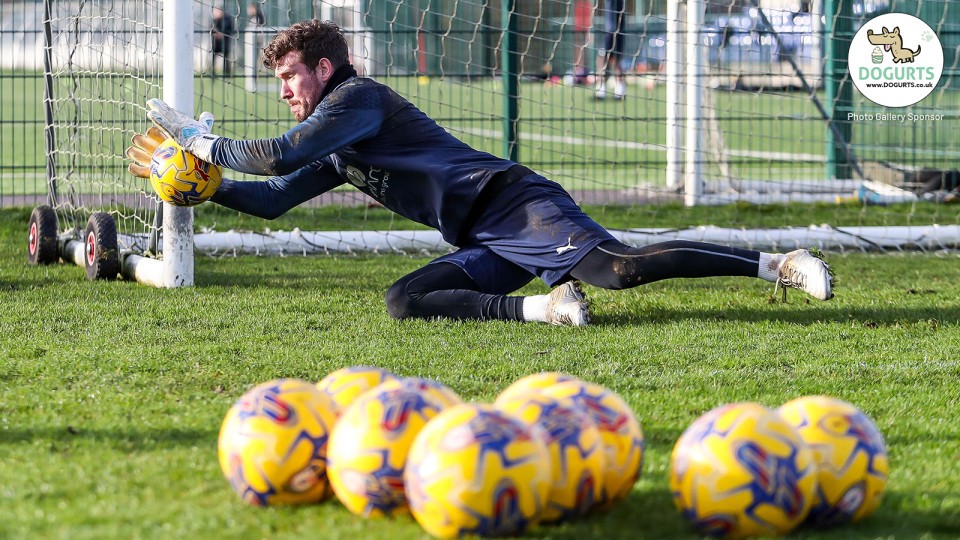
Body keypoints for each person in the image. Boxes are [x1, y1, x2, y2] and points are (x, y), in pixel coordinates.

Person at [126, 19, 833, 327]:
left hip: (509, 203)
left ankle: (781, 263)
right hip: (485, 239)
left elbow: (276, 154)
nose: (285, 89)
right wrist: (213, 188)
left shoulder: (356, 100)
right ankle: (545, 308)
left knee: (617, 267)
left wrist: (198, 139)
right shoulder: (338, 145)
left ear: (323, 67)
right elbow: (278, 197)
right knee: (404, 301)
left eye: (288, 76)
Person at [595, 0, 627, 100]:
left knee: (604, 58)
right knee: (613, 59)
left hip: (611, 31)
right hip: (616, 30)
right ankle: (618, 90)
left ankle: (604, 90)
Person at [211, 6, 236, 76]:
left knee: (226, 58)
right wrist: (215, 34)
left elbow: (231, 29)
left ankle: (227, 73)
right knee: (214, 57)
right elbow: (211, 29)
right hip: (216, 43)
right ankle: (213, 73)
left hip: (225, 42)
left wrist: (223, 34)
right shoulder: (214, 19)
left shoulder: (227, 18)